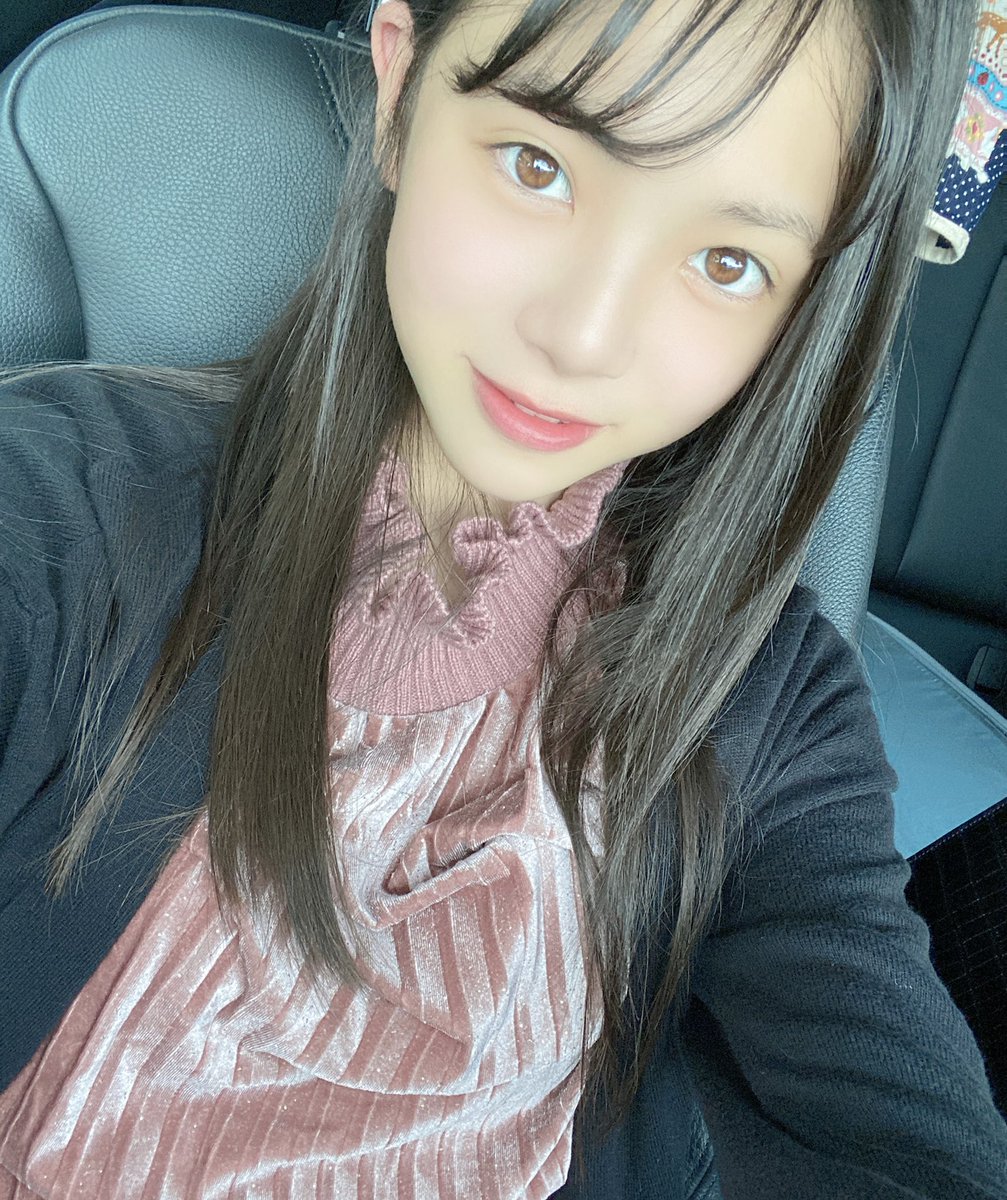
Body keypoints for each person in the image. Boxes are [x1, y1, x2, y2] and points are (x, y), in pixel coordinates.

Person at [0, 0, 1005, 1196]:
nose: (580, 337)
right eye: (536, 166)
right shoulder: (64, 506)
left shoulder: (763, 701)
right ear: (399, 89)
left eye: (727, 263)